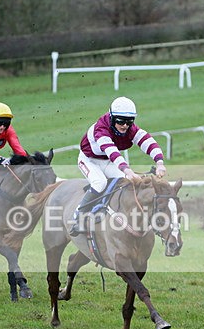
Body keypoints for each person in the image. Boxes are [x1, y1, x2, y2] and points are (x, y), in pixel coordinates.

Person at [69, 96, 167, 236]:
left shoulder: (130, 129)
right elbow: (112, 152)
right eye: (121, 121)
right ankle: (78, 216)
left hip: (107, 161)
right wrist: (127, 170)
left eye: (129, 121)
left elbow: (147, 141)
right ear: (112, 118)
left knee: (125, 183)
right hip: (89, 160)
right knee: (100, 183)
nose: (125, 125)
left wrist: (159, 163)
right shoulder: (101, 129)